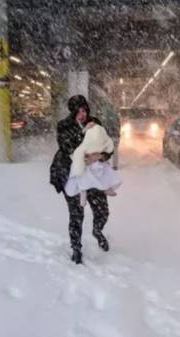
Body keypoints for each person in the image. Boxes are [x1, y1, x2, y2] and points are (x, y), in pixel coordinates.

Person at [50, 95, 110, 264]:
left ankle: (97, 231)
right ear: (72, 111)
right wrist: (84, 133)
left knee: (102, 210)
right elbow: (67, 146)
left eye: (84, 110)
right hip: (72, 174)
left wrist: (100, 155)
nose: (82, 114)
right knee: (76, 214)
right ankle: (76, 248)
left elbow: (106, 145)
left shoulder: (95, 122)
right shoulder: (64, 125)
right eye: (78, 111)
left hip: (92, 175)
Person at [64, 124, 122, 205]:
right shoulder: (81, 141)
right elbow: (73, 150)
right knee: (81, 178)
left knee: (106, 173)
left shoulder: (98, 133)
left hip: (97, 164)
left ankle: (106, 187)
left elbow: (108, 150)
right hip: (83, 166)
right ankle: (83, 193)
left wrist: (99, 156)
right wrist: (83, 159)